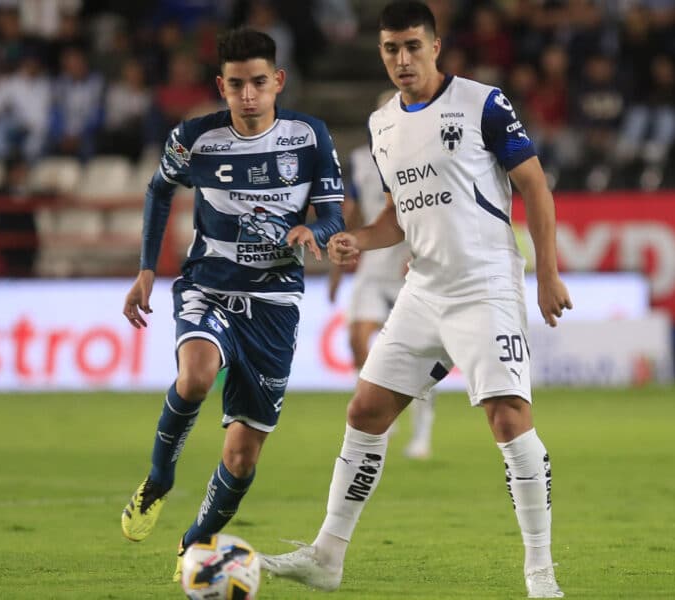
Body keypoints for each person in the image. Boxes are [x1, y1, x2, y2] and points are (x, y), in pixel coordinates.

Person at [260, 2, 572, 598]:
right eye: (390, 49)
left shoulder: (483, 102)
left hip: (484, 285)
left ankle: (540, 573)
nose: (401, 60)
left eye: (411, 46)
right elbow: (395, 219)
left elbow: (533, 183)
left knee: (508, 419)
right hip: (423, 289)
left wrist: (548, 275)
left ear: (435, 45)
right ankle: (327, 556)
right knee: (364, 412)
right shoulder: (381, 125)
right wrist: (355, 240)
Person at [118, 28, 344, 582]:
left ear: (278, 82)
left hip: (275, 302)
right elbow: (157, 191)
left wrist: (313, 232)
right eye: (237, 85)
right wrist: (148, 269)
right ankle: (159, 480)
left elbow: (336, 213)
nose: (248, 96)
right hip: (208, 285)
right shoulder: (195, 138)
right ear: (222, 85)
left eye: (259, 83)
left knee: (242, 457)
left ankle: (193, 547)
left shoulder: (308, 136)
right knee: (195, 376)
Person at [328, 89, 435, 460]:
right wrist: (338, 268)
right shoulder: (360, 160)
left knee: (419, 353)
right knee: (358, 339)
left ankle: (422, 430)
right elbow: (353, 213)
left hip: (411, 269)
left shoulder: (426, 156)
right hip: (373, 268)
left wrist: (424, 254)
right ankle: (382, 416)